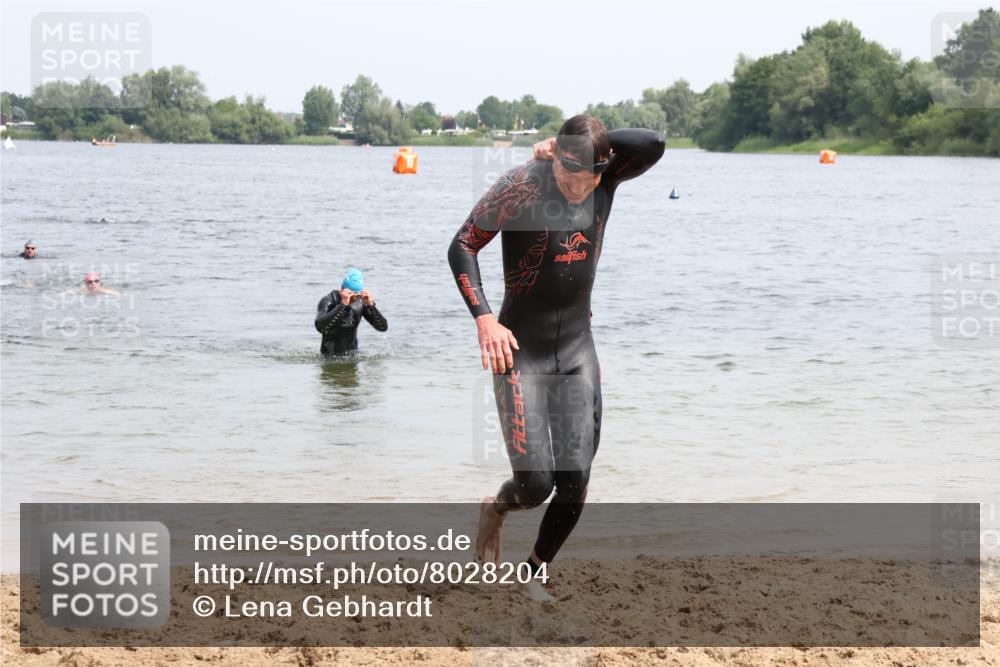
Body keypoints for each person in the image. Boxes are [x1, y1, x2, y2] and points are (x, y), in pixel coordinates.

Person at [447, 114, 664, 602]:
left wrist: (579, 147)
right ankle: (497, 507)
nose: (575, 187)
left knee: (575, 480)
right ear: (555, 162)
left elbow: (653, 142)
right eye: (567, 175)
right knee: (535, 482)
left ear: (603, 167)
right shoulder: (522, 185)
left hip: (576, 349)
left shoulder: (609, 177)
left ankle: (532, 573)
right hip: (519, 349)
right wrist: (484, 318)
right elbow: (462, 246)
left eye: (586, 177)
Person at [315, 268, 388, 356]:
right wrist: (342, 305)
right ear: (342, 289)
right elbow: (320, 326)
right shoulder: (328, 300)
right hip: (329, 358)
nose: (352, 298)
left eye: (356, 295)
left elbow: (382, 327)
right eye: (350, 294)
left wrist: (371, 306)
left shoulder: (361, 301)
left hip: (353, 357)